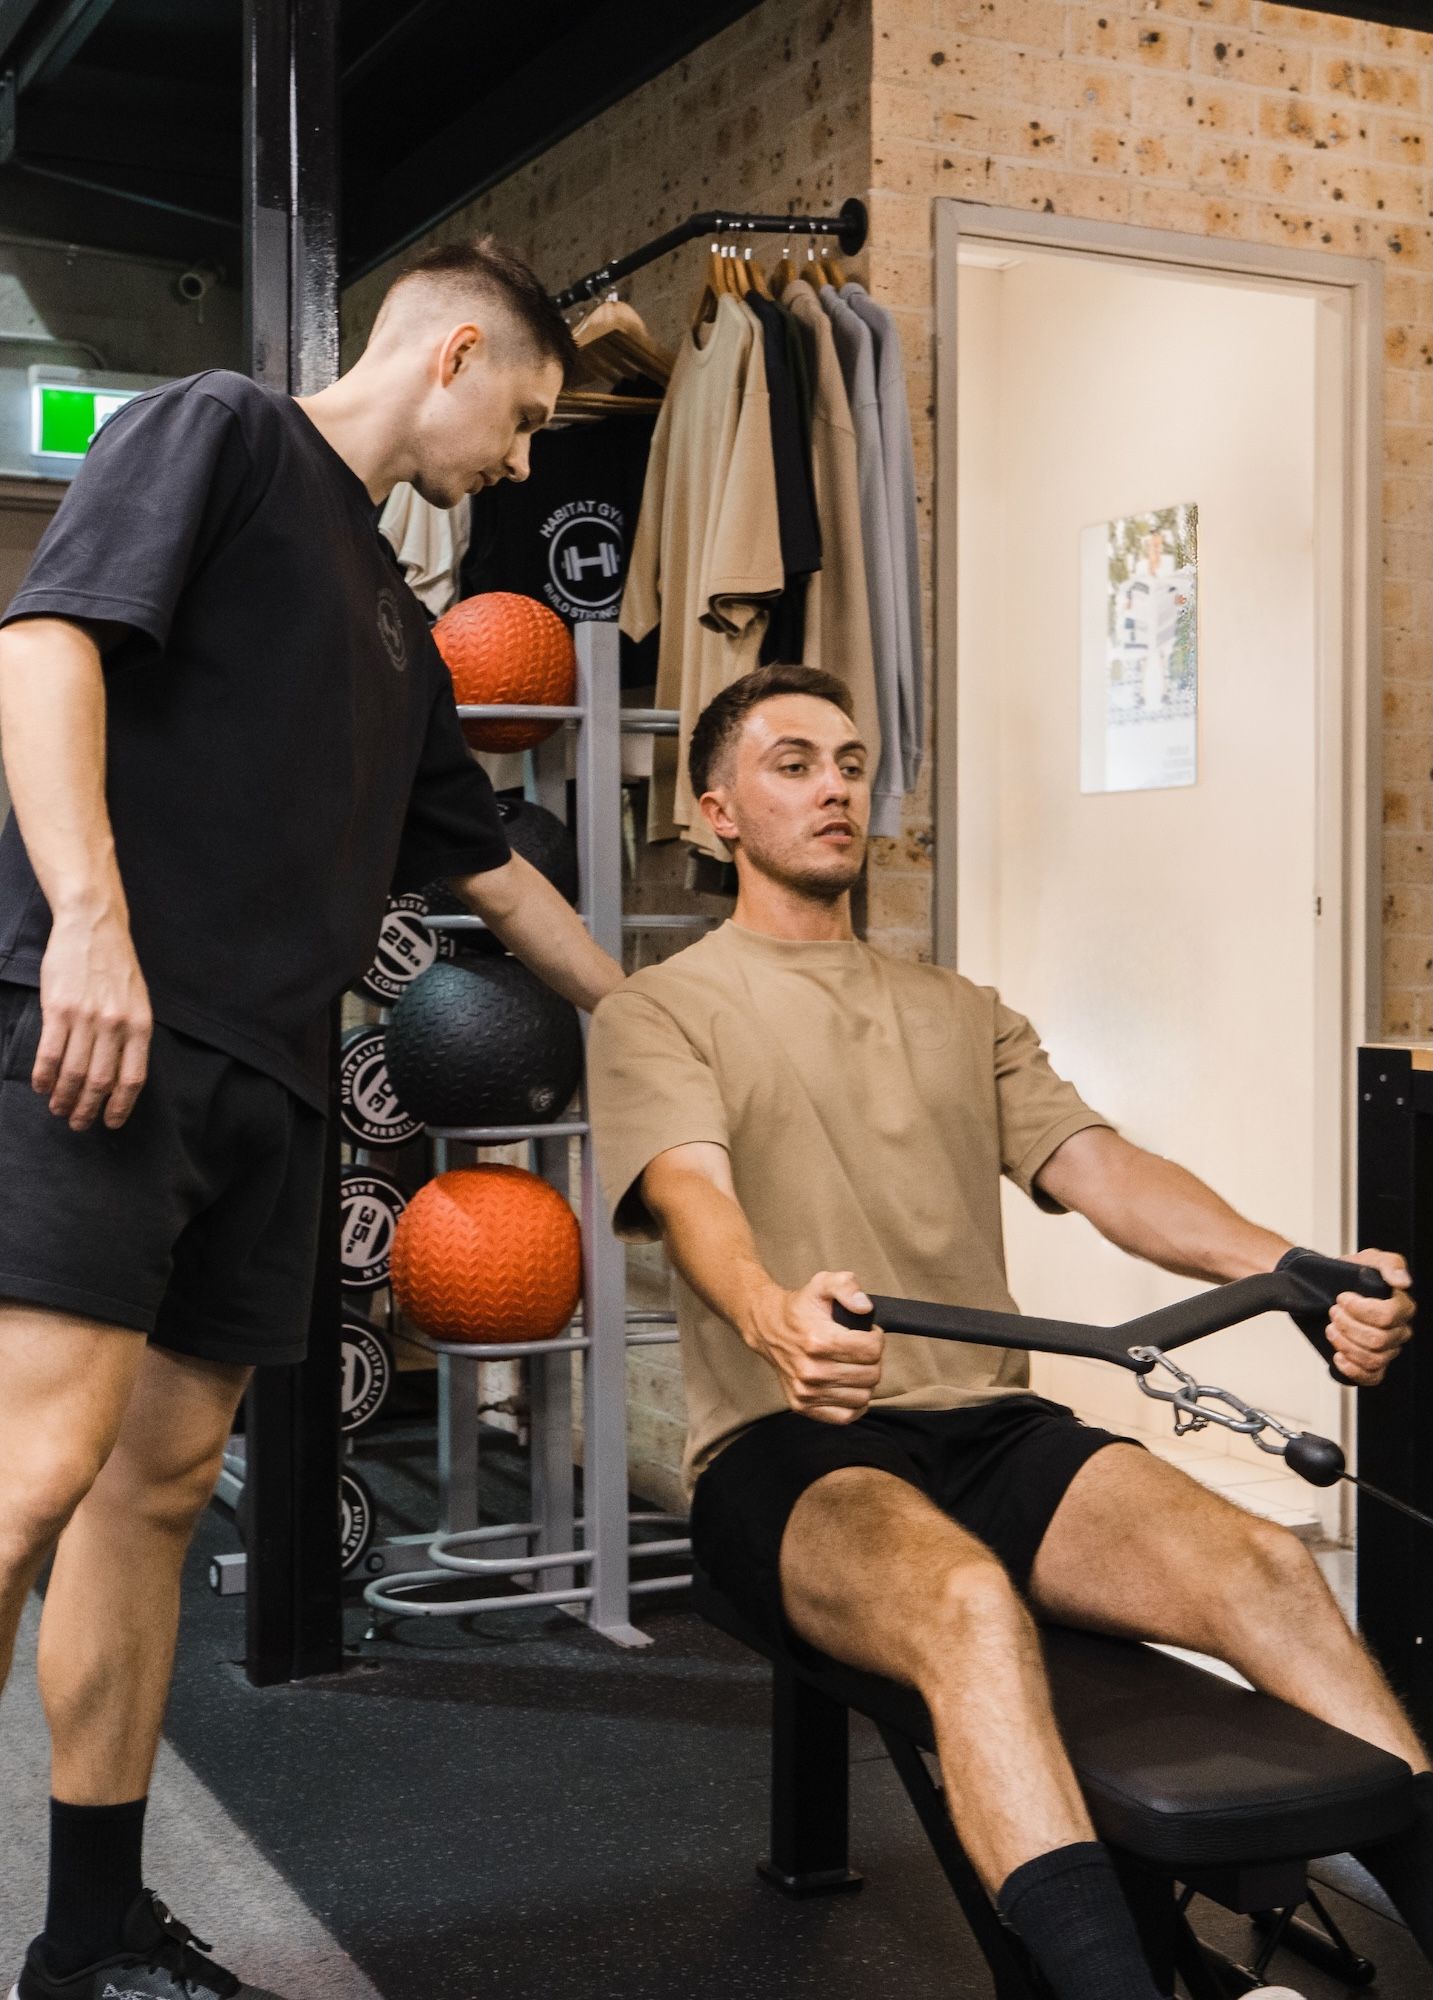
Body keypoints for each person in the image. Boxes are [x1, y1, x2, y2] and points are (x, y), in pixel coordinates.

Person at [587, 663, 1430, 2000]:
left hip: (992, 1434)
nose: (834, 788)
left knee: (1268, 1567)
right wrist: (773, 1314)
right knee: (968, 1607)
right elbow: (695, 1195)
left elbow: (1102, 1172)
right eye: (793, 762)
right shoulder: (659, 1008)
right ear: (716, 813)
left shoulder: (956, 1009)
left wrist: (1289, 1265)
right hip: (789, 1451)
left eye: (853, 763)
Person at [0, 237, 623, 2000]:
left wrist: (651, 1021)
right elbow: (41, 648)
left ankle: (89, 1937)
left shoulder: (393, 614)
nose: (521, 460)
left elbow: (486, 865)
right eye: (526, 413)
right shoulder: (216, 429)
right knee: (26, 1477)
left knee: (155, 1491)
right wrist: (92, 933)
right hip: (105, 1030)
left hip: (272, 1081)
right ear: (449, 353)